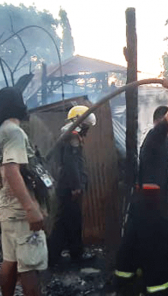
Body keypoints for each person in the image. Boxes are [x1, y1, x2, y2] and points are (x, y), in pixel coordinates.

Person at [114, 77, 168, 296]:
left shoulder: (162, 137)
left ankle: (126, 287)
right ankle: (157, 291)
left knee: (133, 250)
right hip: (152, 212)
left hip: (143, 209)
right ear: (161, 120)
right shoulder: (156, 134)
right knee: (156, 254)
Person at [0, 87, 47, 296]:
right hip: (21, 212)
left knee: (10, 261)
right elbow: (11, 170)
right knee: (29, 266)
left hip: (6, 210)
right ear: (18, 105)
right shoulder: (14, 132)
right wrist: (31, 208)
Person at [48, 105, 96, 267]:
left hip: (66, 186)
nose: (87, 131)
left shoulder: (68, 134)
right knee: (68, 222)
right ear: (80, 122)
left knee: (67, 221)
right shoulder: (73, 136)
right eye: (87, 127)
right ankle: (68, 256)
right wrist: (76, 186)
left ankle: (66, 254)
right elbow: (71, 163)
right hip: (70, 188)